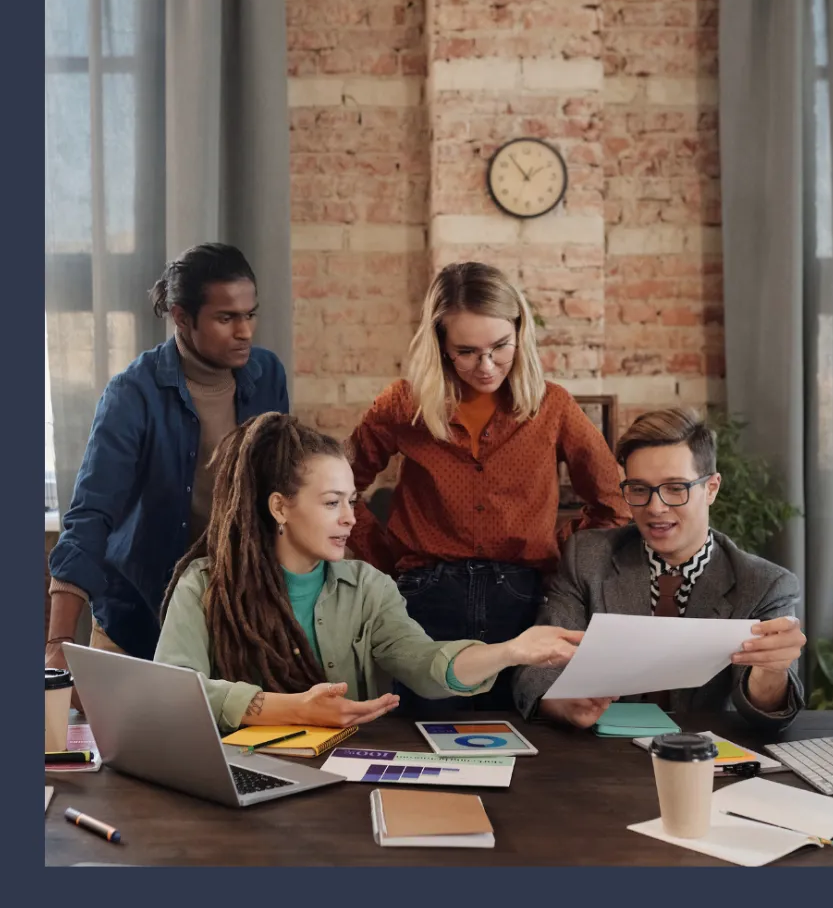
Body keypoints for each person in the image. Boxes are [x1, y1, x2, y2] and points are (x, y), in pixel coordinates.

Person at [155, 414, 583, 731]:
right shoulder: (205, 585)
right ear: (280, 506)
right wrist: (293, 709)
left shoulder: (369, 588)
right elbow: (173, 692)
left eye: (352, 501)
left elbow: (425, 663)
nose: (350, 519)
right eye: (331, 502)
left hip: (345, 779)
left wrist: (511, 651)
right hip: (240, 776)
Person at [346, 261, 630, 715]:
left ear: (521, 331)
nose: (486, 365)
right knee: (423, 736)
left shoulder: (552, 406)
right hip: (423, 601)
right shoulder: (403, 405)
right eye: (466, 351)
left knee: (523, 741)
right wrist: (384, 559)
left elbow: (615, 504)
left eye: (500, 346)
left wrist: (553, 547)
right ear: (440, 344)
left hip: (519, 600)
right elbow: (341, 489)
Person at [46, 244, 289, 682]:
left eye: (250, 314)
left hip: (237, 623)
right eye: (226, 318)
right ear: (180, 317)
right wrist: (57, 644)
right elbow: (91, 516)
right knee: (130, 750)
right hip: (139, 620)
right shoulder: (132, 394)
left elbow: (280, 491)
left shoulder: (268, 375)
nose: (245, 331)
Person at [514, 408, 807, 730]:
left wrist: (772, 669)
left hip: (707, 757)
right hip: (600, 756)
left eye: (675, 488)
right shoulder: (587, 556)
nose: (655, 507)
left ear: (711, 488)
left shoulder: (765, 583)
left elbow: (766, 715)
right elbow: (537, 668)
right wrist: (561, 703)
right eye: (639, 489)